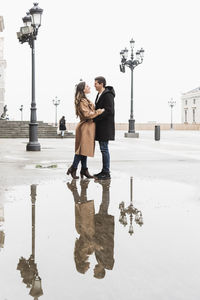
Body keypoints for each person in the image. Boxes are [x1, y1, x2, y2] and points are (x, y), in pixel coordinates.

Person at [67, 81, 105, 179]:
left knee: (85, 150)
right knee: (81, 150)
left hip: (88, 127)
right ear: (83, 89)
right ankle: (73, 167)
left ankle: (84, 169)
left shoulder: (84, 99)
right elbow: (87, 114)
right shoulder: (82, 101)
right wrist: (99, 111)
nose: (89, 87)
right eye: (87, 86)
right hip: (85, 127)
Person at [93, 76, 115, 180]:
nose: (94, 85)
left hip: (105, 127)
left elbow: (109, 110)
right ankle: (104, 170)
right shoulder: (99, 94)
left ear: (101, 84)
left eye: (96, 83)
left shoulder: (108, 95)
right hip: (101, 127)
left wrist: (96, 118)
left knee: (104, 149)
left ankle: (106, 172)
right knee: (103, 149)